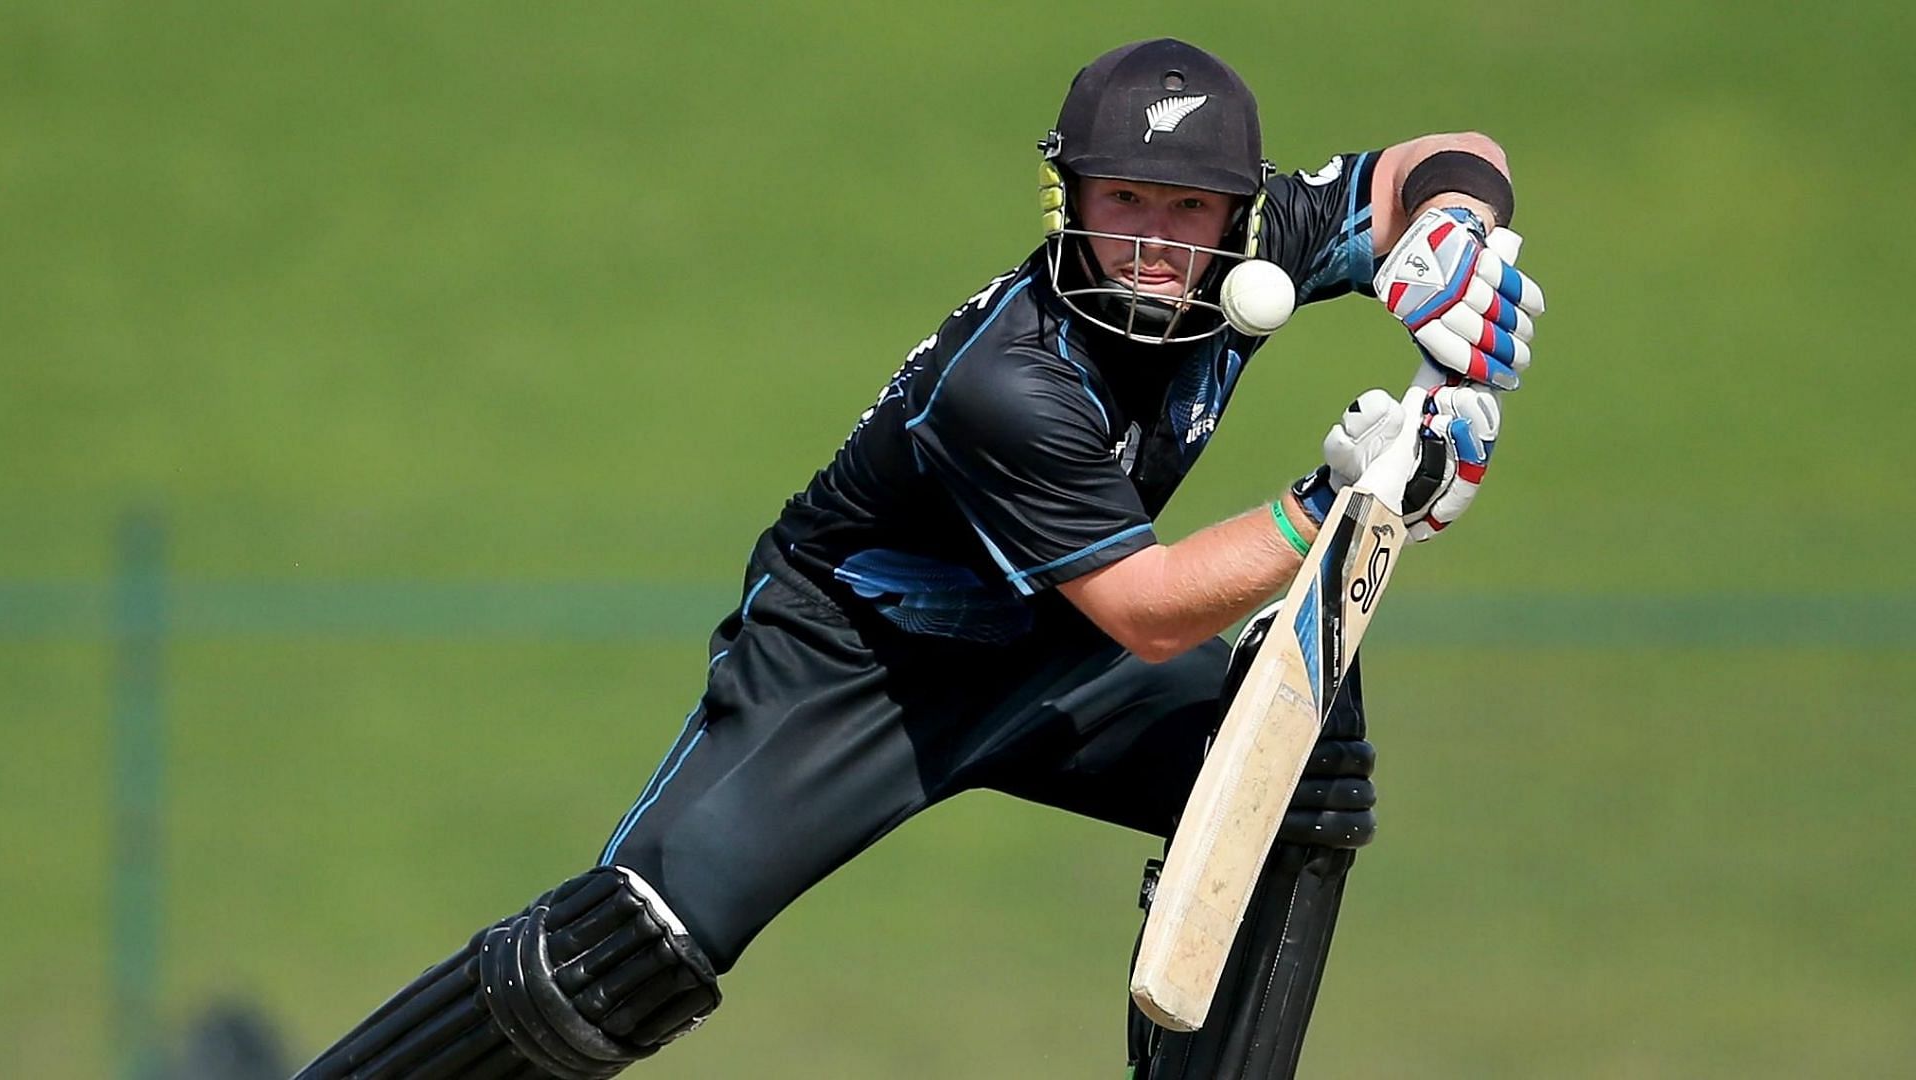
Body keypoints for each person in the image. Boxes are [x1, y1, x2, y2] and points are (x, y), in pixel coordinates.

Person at [294, 37, 1544, 1080]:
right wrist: (1335, 499)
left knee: (1293, 780)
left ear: (1237, 210)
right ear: (1070, 200)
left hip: (1049, 651)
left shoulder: (1252, 258)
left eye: (1186, 210)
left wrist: (1453, 233)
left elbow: (1452, 156)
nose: (1157, 246)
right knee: (629, 955)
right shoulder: (1011, 382)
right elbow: (1151, 612)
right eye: (1123, 205)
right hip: (852, 664)